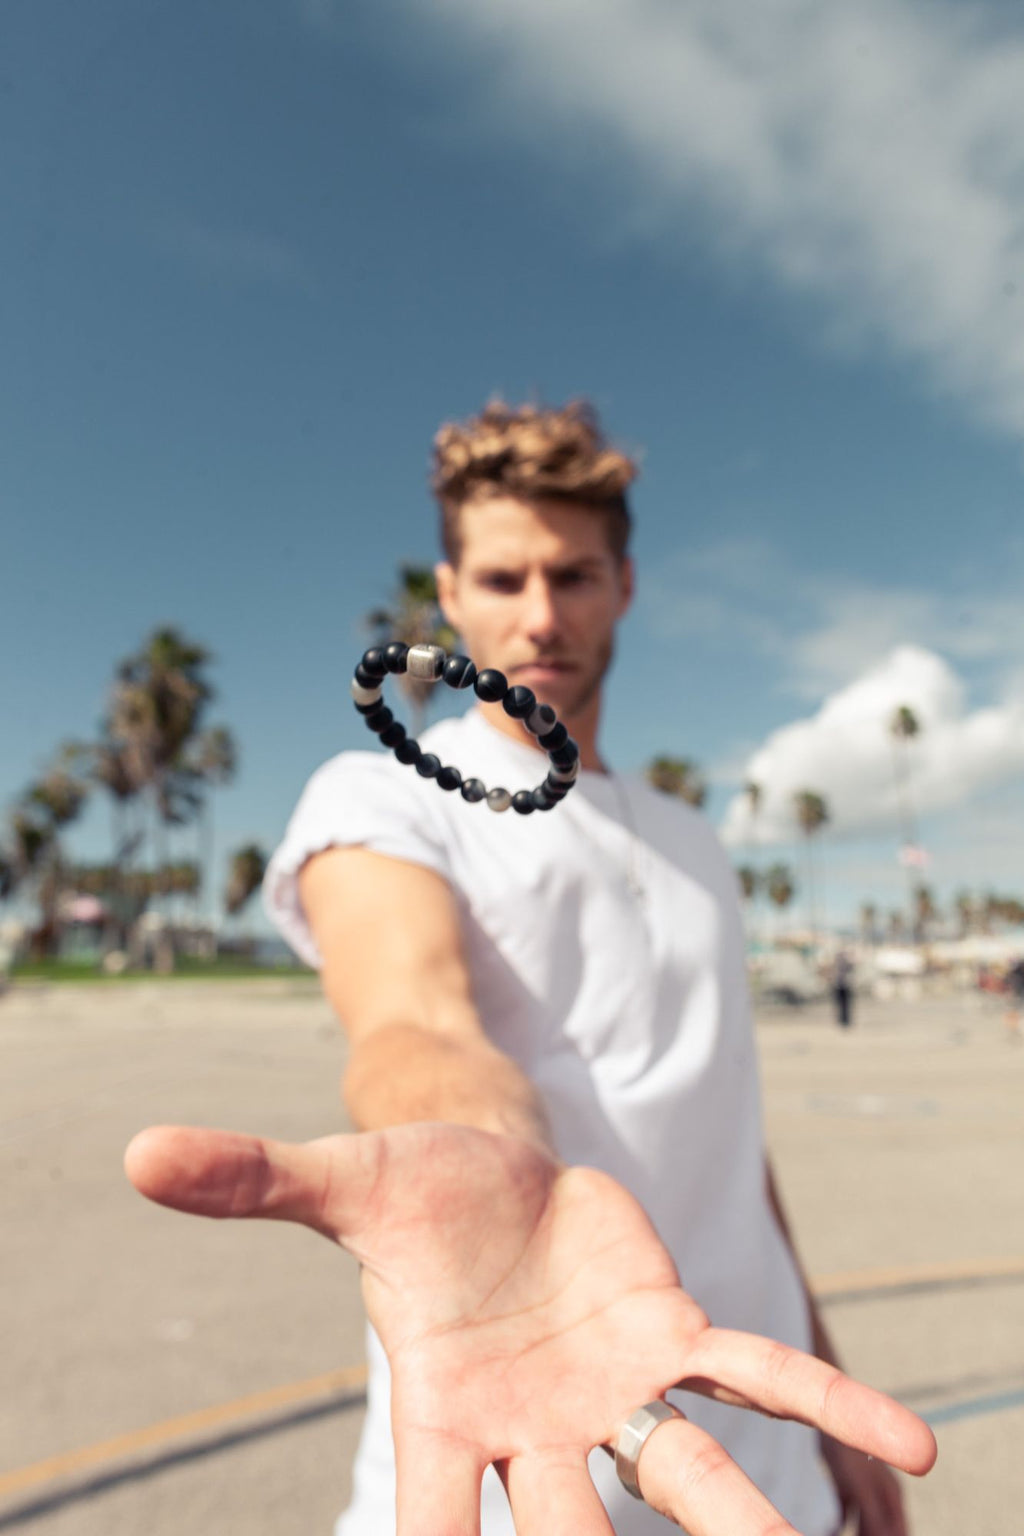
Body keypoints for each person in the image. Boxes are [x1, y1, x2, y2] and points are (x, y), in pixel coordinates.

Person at [125, 400, 935, 1535]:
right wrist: (489, 1169)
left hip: (769, 1460)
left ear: (625, 585)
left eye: (576, 575)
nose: (542, 614)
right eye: (505, 579)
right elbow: (414, 1022)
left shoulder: (696, 844)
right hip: (525, 1455)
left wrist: (829, 1408)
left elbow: (734, 1149)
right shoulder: (384, 798)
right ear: (450, 595)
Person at [832, 951, 854, 1029]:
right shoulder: (841, 966)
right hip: (842, 986)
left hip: (843, 986)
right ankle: (843, 1020)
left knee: (843, 1005)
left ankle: (844, 1020)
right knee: (842, 1005)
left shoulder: (839, 965)